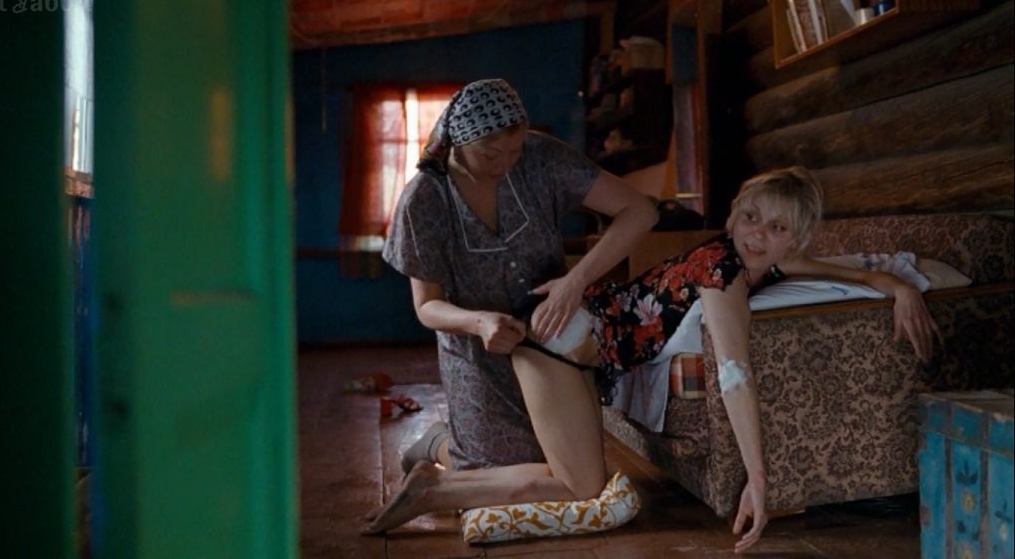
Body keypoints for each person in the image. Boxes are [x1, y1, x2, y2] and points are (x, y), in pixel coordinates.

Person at [372, 87, 940, 552]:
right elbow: (734, 374)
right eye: (751, 218)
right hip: (552, 345)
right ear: (734, 213)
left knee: (564, 472)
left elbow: (812, 264)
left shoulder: (752, 256)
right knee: (581, 486)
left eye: (776, 229)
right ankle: (434, 492)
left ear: (794, 238)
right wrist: (760, 480)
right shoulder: (723, 271)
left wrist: (893, 285)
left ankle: (439, 466)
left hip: (566, 338)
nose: (758, 235)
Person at [371, 77, 657, 528]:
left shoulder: (542, 158)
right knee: (509, 472)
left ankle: (439, 451)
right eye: (491, 155)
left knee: (563, 471)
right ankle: (440, 447)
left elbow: (641, 211)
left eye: (514, 150)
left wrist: (576, 281)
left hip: (548, 340)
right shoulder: (423, 200)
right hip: (478, 352)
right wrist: (479, 322)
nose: (505, 163)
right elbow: (427, 307)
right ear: (459, 145)